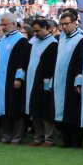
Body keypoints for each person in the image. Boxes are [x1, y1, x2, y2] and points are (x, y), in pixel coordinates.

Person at [0, 13, 30, 144]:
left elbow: (23, 61)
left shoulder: (21, 40)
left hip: (13, 80)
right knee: (3, 108)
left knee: (15, 107)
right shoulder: (3, 39)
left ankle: (17, 136)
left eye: (5, 24)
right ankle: (6, 135)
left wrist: (19, 78)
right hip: (2, 79)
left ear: (13, 24)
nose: (2, 27)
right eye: (1, 24)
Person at [53, 10, 83, 148]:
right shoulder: (61, 38)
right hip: (60, 80)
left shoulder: (81, 38)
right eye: (62, 24)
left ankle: (76, 141)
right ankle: (66, 140)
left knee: (74, 111)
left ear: (74, 23)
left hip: (73, 80)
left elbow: (81, 62)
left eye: (66, 24)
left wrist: (78, 80)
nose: (64, 27)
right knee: (62, 111)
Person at [25, 18, 58, 147]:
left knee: (45, 113)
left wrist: (46, 85)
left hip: (43, 84)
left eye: (38, 31)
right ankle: (38, 137)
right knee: (35, 111)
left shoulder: (52, 44)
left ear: (46, 28)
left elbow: (50, 67)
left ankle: (49, 139)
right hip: (32, 82)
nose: (36, 33)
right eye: (34, 31)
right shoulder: (35, 43)